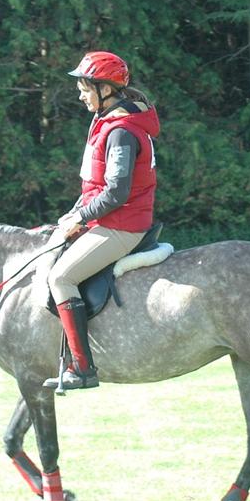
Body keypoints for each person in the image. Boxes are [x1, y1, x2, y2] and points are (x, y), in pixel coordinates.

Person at [44, 51, 160, 391]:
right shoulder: (108, 122)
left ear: (105, 89)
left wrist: (81, 216)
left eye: (84, 88)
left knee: (61, 277)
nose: (80, 95)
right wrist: (74, 213)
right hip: (107, 219)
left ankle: (82, 368)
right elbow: (95, 185)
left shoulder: (121, 131)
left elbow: (116, 193)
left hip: (122, 225)